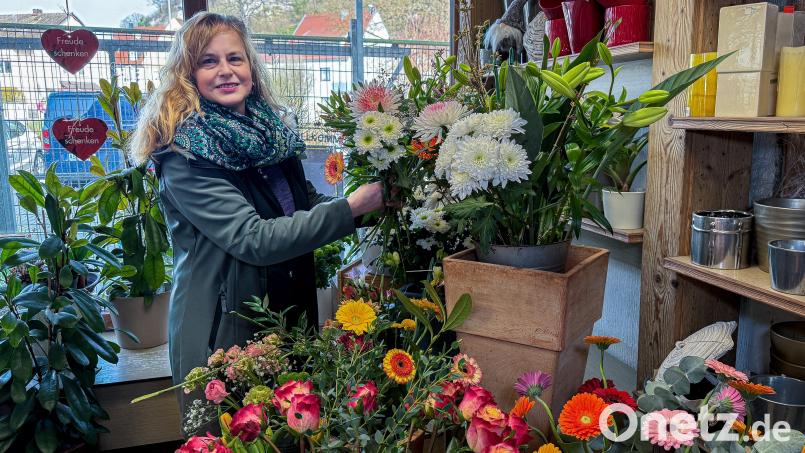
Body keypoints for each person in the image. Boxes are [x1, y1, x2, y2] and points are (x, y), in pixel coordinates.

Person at [127, 12, 384, 419]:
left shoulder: (269, 135)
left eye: (236, 58)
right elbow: (253, 239)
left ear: (251, 66)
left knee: (291, 433)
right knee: (236, 437)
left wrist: (379, 198)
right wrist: (350, 208)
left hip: (284, 316)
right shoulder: (185, 153)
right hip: (224, 331)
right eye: (209, 61)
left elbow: (302, 205)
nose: (226, 71)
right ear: (187, 74)